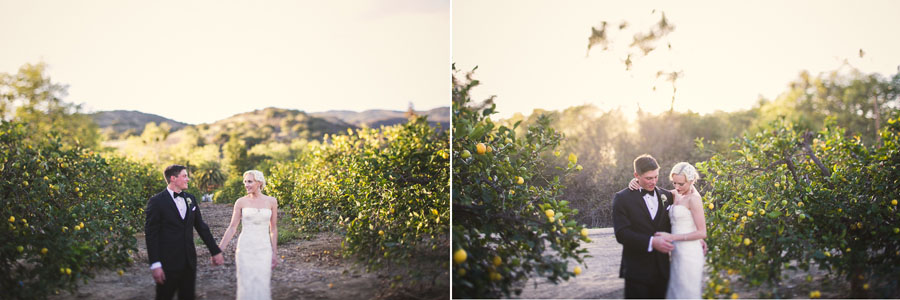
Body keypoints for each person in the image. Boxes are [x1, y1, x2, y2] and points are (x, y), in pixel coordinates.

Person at [145, 164, 224, 300]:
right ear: (173, 178)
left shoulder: (190, 199)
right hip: (166, 263)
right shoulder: (156, 202)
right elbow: (151, 235)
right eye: (184, 176)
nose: (188, 179)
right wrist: (155, 264)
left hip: (189, 262)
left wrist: (215, 251)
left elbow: (201, 227)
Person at [612, 154, 675, 299]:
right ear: (636, 175)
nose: (653, 181)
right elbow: (622, 234)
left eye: (656, 177)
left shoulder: (668, 196)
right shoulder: (622, 198)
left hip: (662, 270)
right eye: (648, 178)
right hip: (636, 271)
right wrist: (652, 242)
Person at [218, 170, 279, 300]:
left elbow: (273, 229)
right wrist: (219, 250)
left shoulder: (272, 201)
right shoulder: (240, 202)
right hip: (245, 248)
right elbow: (232, 227)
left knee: (263, 282)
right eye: (245, 182)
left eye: (250, 181)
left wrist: (274, 253)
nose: (246, 184)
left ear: (259, 183)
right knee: (245, 283)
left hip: (264, 248)